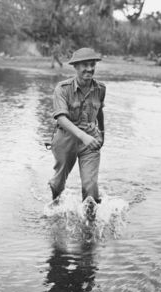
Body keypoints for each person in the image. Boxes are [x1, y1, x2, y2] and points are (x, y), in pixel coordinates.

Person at [48, 47, 106, 204]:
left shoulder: (100, 88)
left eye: (92, 64)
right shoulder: (62, 89)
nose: (89, 69)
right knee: (58, 183)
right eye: (85, 65)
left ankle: (89, 224)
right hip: (65, 139)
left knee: (91, 187)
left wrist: (101, 134)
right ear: (75, 67)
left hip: (90, 141)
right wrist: (83, 136)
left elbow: (100, 112)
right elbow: (60, 118)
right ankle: (55, 205)